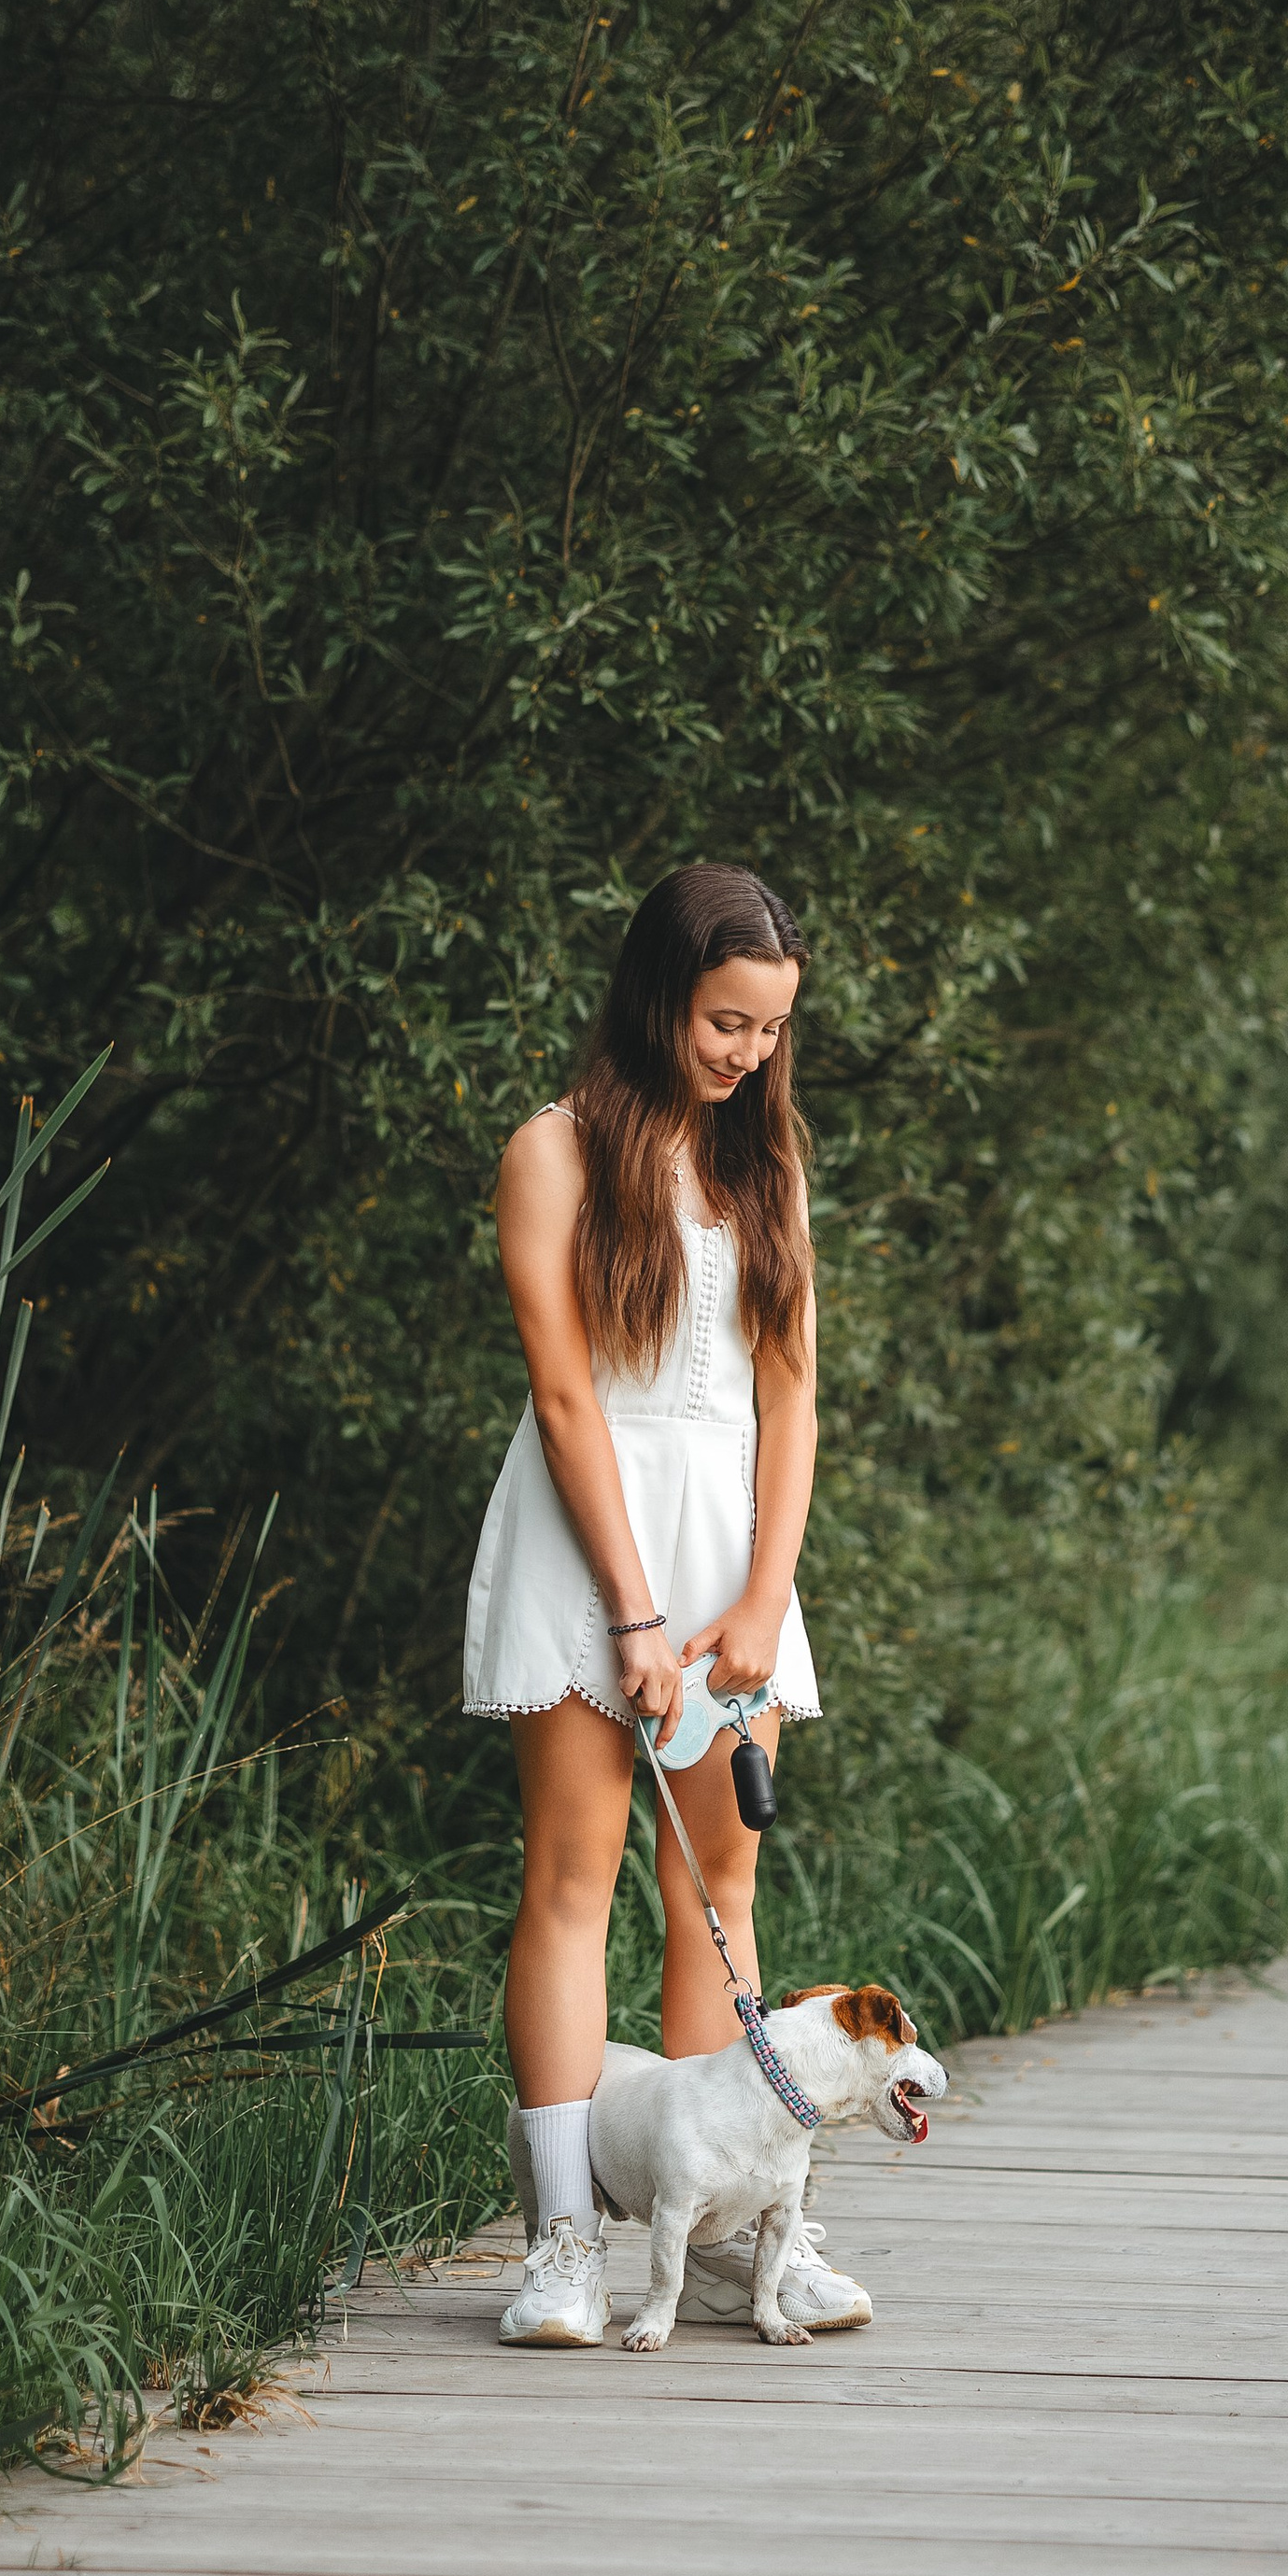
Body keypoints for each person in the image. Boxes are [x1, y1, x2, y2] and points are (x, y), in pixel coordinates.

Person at [462, 864, 869, 2345]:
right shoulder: (556, 1153)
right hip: (593, 1541)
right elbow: (565, 1394)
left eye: (768, 1031)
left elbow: (792, 1394)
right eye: (725, 1021)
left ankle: (731, 2233)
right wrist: (633, 1613)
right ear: (660, 995)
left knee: (724, 1896)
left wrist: (762, 1597)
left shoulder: (769, 1172)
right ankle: (561, 2242)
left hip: (730, 1551)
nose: (747, 1054)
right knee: (571, 1883)